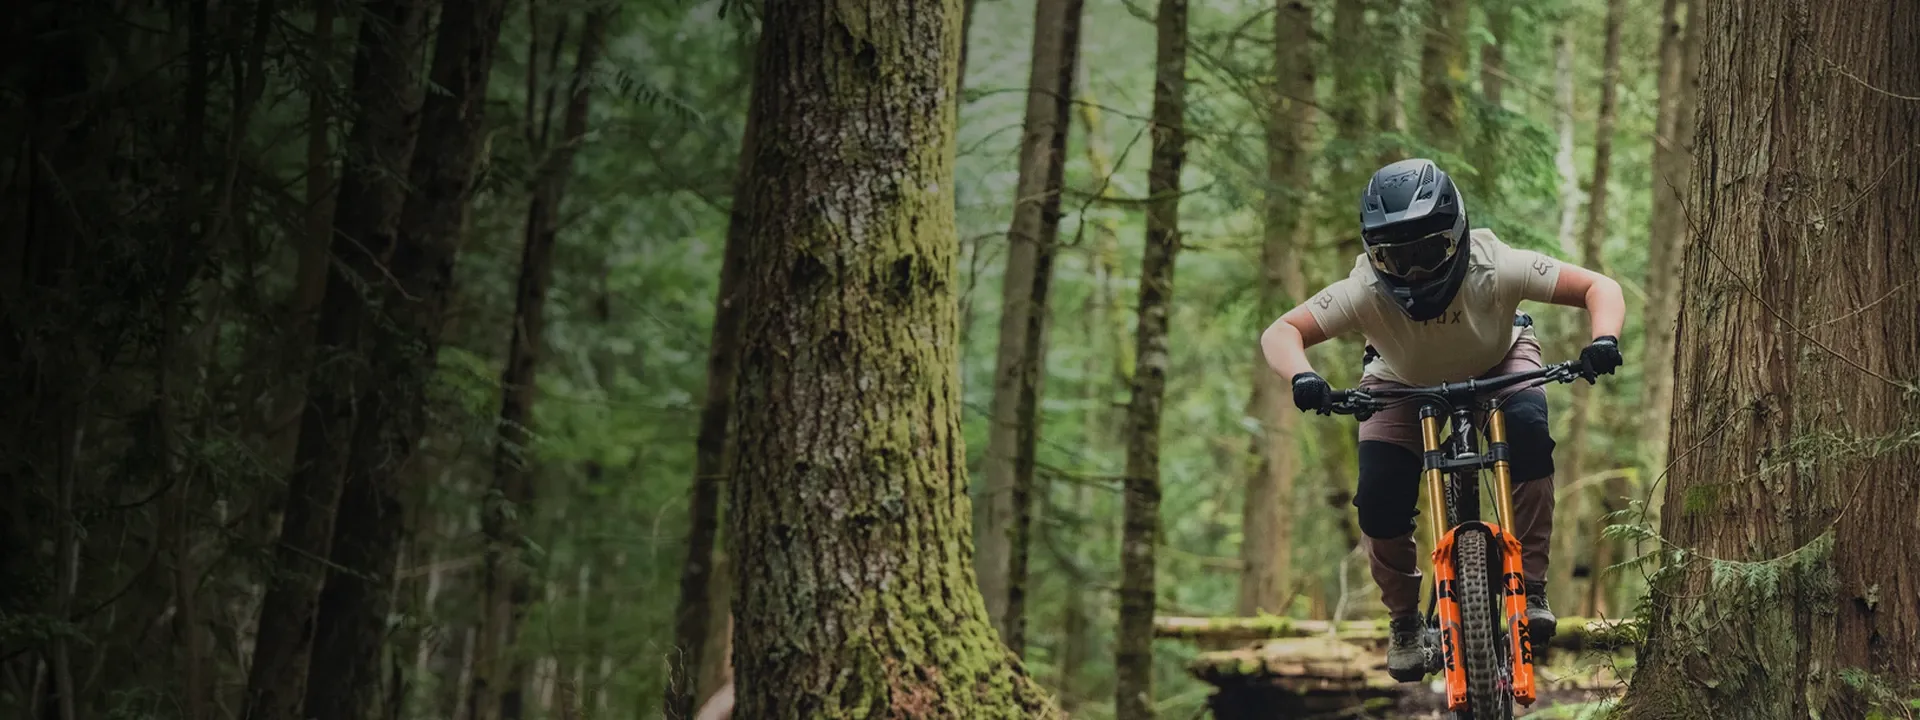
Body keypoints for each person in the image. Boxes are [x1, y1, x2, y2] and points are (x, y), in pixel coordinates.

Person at [1258, 158, 1625, 681]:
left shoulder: (1495, 264)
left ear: (1454, 237)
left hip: (1501, 358)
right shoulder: (1363, 290)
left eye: (1426, 252)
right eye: (1394, 257)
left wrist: (1604, 338)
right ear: (1373, 253)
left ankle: (1533, 587)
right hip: (1398, 380)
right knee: (1380, 497)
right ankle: (1406, 621)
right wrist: (1302, 376)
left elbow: (1599, 287)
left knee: (1528, 435)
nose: (1411, 272)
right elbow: (1281, 332)